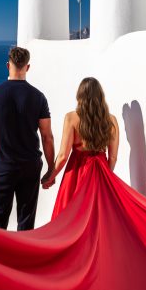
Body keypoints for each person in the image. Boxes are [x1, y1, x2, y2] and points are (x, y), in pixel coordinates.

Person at [0, 46, 55, 230]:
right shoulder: (39, 98)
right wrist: (51, 167)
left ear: (8, 65)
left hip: (3, 168)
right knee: (26, 220)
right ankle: (23, 257)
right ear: (27, 67)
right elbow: (47, 137)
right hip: (30, 167)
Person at [41, 77, 119, 219]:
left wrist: (50, 177)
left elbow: (63, 156)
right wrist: (105, 177)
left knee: (71, 217)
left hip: (77, 172)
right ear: (100, 96)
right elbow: (113, 157)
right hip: (100, 172)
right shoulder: (111, 120)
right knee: (97, 217)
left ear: (80, 96)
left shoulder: (71, 118)